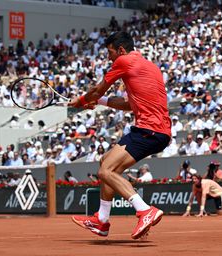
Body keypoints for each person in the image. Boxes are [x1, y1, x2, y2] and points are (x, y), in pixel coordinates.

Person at [69, 32, 171, 239]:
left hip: (148, 130)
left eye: (110, 52)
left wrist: (80, 101)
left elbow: (98, 89)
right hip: (157, 131)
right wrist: (97, 102)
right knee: (106, 161)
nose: (109, 58)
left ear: (121, 50)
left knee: (105, 171)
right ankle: (102, 220)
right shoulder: (149, 66)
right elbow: (127, 105)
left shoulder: (125, 61)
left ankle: (144, 210)